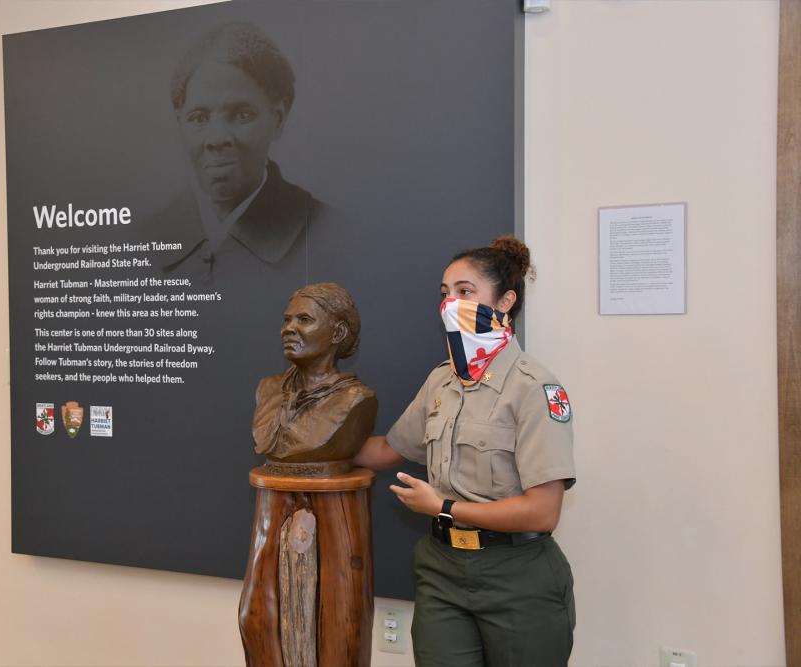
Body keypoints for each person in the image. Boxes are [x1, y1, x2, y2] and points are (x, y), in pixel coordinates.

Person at [354, 235, 576, 666]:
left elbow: (542, 511)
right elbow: (386, 451)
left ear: (506, 300)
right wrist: (315, 445)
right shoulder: (442, 380)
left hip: (518, 577)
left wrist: (443, 506)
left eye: (465, 292)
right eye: (445, 293)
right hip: (442, 572)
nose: (451, 303)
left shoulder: (535, 389)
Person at [142, 21, 323, 280]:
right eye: (199, 118)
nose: (216, 139)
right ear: (179, 122)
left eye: (242, 115)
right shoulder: (143, 239)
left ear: (278, 119)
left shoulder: (327, 232)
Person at [253, 282, 377, 476]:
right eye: (287, 320)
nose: (288, 329)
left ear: (337, 333)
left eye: (304, 319)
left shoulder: (356, 399)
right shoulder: (267, 389)